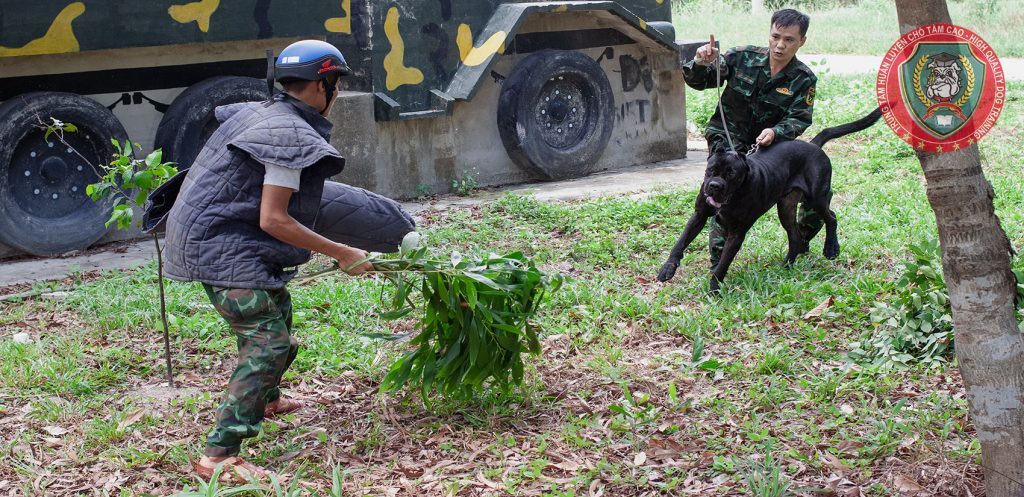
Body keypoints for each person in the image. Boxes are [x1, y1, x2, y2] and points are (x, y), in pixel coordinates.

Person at [162, 39, 374, 480]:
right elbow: (275, 220)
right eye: (336, 85)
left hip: (215, 235)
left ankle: (268, 397)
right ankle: (217, 456)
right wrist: (344, 253)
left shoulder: (265, 113)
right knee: (268, 341)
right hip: (220, 246)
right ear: (324, 85)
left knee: (278, 310)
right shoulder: (288, 136)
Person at [682, 9, 821, 270]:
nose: (780, 45)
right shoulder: (742, 56)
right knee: (722, 191)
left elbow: (800, 117)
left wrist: (776, 132)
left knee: (810, 194)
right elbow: (700, 81)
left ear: (802, 41)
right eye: (775, 36)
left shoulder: (803, 78)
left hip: (766, 146)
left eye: (789, 40)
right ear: (769, 34)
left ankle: (800, 241)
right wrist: (701, 62)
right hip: (727, 138)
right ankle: (718, 260)